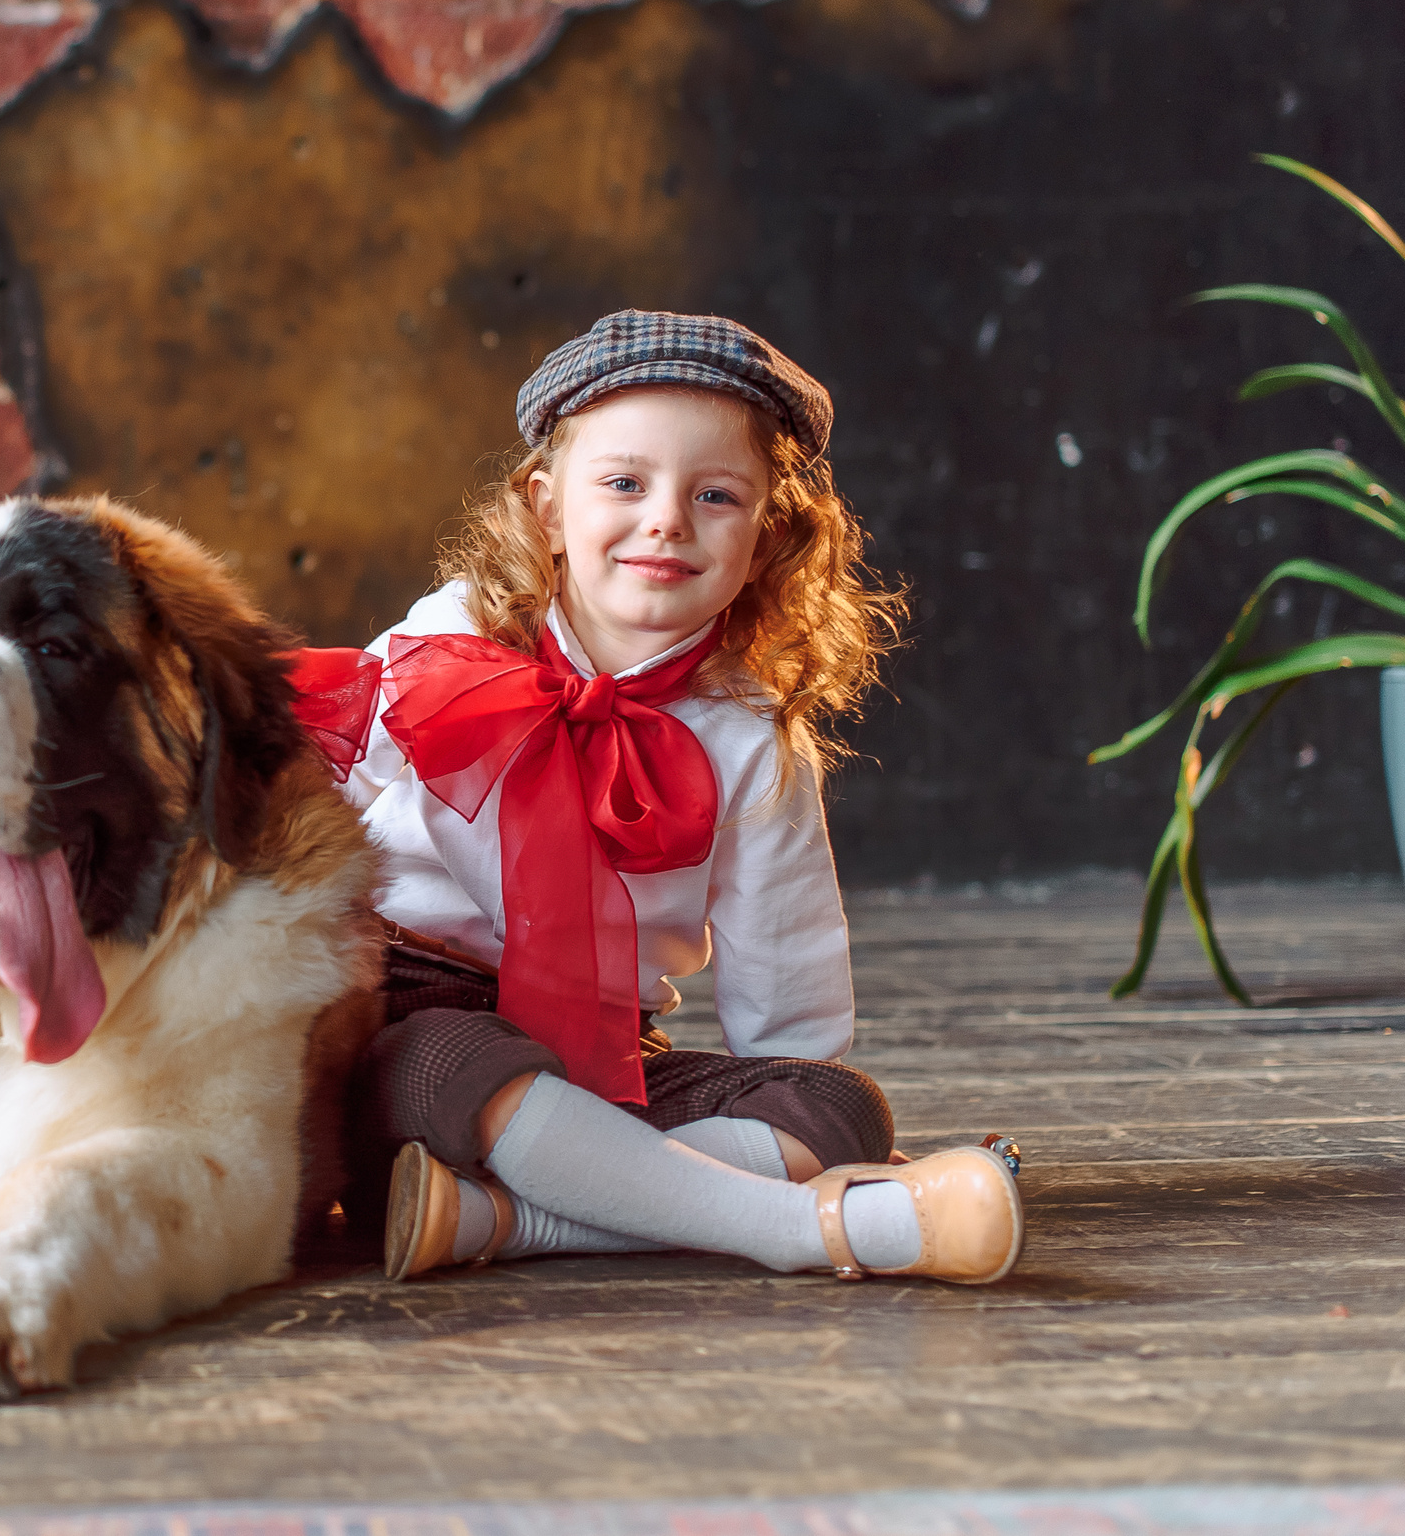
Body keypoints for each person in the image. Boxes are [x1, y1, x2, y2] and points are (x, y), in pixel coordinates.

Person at [323, 309, 1024, 1285]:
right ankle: (795, 1228)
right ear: (543, 506)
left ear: (769, 532)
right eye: (623, 482)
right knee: (452, 1060)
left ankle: (510, 1219)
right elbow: (313, 787)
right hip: (401, 1014)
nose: (666, 519)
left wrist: (815, 1115)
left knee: (838, 1105)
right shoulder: (452, 644)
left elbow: (784, 964)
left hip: (604, 1053)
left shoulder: (746, 735)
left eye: (715, 495)